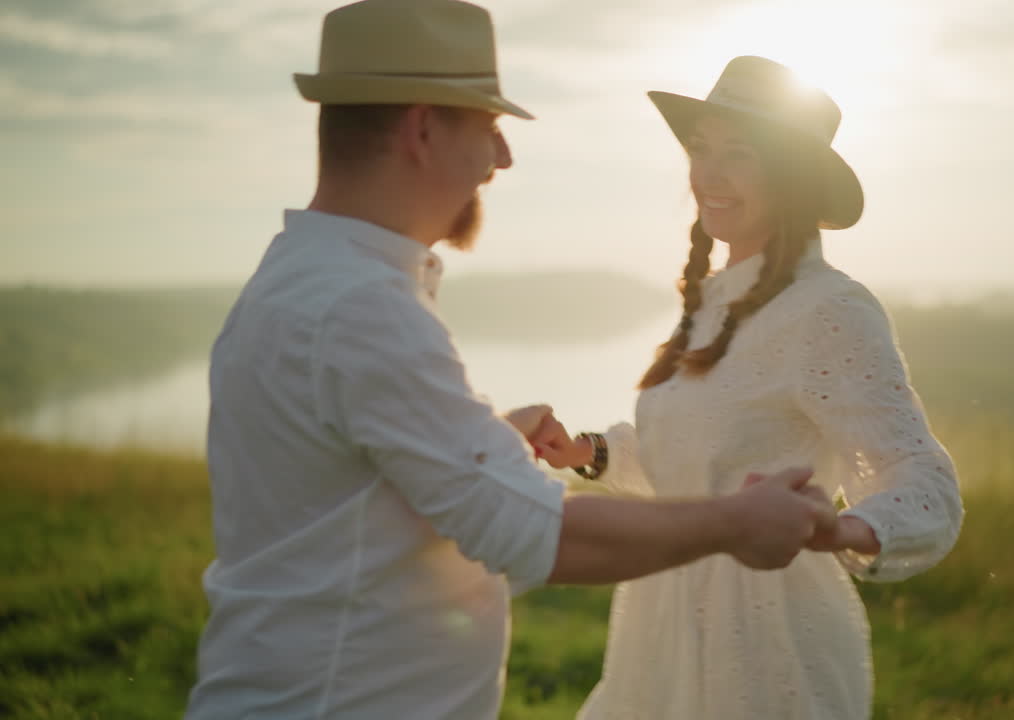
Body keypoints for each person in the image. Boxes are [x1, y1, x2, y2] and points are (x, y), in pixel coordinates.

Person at [182, 5, 837, 719]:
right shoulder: (361, 308)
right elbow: (543, 537)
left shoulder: (301, 275)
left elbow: (345, 492)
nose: (503, 158)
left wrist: (481, 447)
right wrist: (737, 522)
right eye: (488, 129)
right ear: (423, 129)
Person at [534, 56, 965, 719]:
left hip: (770, 646)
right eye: (701, 148)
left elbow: (926, 486)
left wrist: (839, 527)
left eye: (739, 153)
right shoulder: (710, 303)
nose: (707, 173)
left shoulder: (830, 310)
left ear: (791, 176)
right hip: (660, 627)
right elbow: (699, 469)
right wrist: (588, 452)